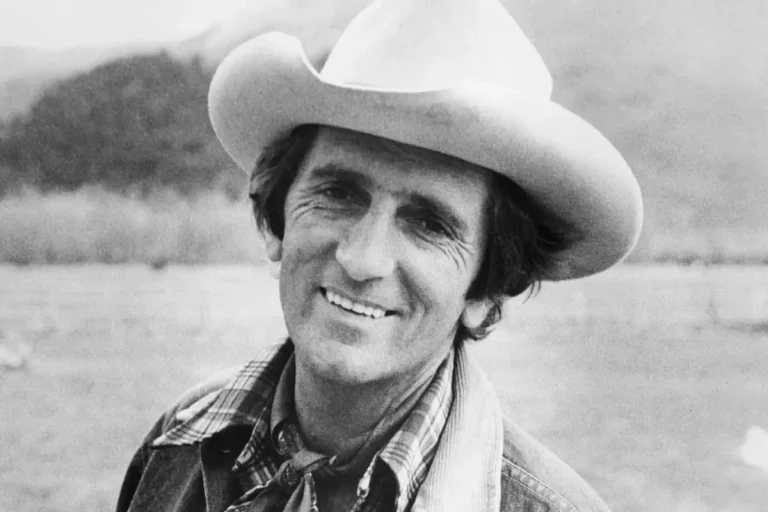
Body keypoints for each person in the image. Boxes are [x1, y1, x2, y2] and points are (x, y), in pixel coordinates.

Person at [116, 0, 643, 510]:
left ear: (487, 288)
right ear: (277, 219)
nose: (362, 259)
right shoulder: (175, 447)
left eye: (429, 224)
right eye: (339, 194)